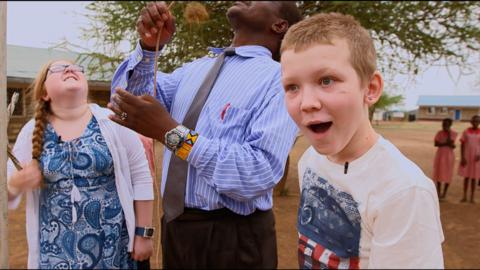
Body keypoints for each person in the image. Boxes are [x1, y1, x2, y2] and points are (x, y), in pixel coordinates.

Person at [107, 1, 302, 268]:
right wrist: (150, 47)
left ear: (279, 25)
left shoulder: (282, 80)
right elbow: (126, 101)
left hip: (234, 237)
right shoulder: (195, 69)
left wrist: (171, 133)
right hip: (177, 227)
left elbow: (256, 171)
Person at [280, 13, 444, 268]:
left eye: (326, 80)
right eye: (292, 87)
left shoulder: (404, 192)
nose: (306, 103)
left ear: (370, 88)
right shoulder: (310, 161)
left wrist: (192, 143)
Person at [7, 60, 154, 269]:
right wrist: (16, 184)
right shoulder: (30, 132)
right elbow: (6, 194)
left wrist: (144, 234)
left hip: (113, 252)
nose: (70, 69)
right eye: (57, 69)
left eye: (76, 68)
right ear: (45, 94)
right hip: (55, 256)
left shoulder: (113, 121)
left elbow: (141, 176)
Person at [433, 118, 457, 200]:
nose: (444, 126)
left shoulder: (454, 133)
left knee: (448, 173)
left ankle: (444, 193)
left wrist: (449, 133)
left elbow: (451, 143)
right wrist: (447, 143)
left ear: (450, 125)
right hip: (440, 155)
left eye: (446, 124)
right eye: (443, 124)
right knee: (439, 173)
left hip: (449, 156)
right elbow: (436, 144)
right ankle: (438, 192)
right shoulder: (439, 133)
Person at [459, 115, 480, 203]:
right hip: (467, 156)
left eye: (477, 121)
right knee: (466, 177)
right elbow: (462, 144)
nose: (476, 123)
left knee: (474, 178)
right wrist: (462, 157)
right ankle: (464, 196)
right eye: (474, 121)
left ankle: (472, 197)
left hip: (476, 157)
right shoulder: (466, 131)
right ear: (471, 122)